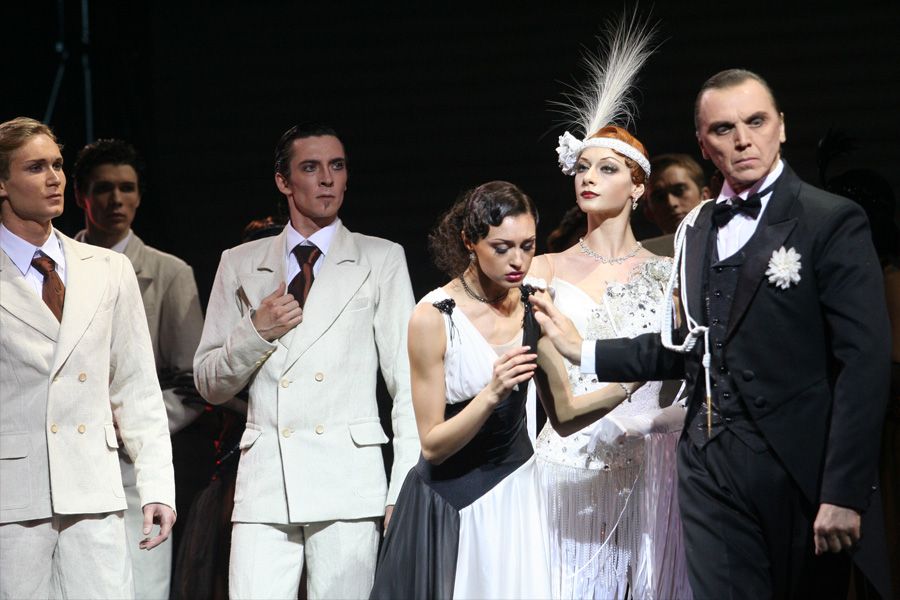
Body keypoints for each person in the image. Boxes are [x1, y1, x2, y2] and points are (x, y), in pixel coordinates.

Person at [532, 69, 892, 599]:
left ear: (781, 127)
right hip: (707, 473)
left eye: (756, 122)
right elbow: (682, 345)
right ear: (703, 142)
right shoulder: (697, 229)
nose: (742, 139)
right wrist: (581, 350)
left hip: (798, 473)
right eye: (723, 128)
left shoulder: (829, 220)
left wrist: (844, 490)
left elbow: (864, 362)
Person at [369, 181, 637, 600]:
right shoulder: (434, 316)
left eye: (527, 246)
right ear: (469, 242)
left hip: (516, 496)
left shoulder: (534, 303)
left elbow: (564, 415)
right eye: (502, 247)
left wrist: (631, 381)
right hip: (450, 501)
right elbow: (433, 445)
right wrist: (491, 393)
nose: (518, 260)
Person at [193, 122, 420, 600]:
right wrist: (257, 331)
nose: (327, 179)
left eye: (337, 166)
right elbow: (209, 383)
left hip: (348, 480)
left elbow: (408, 385)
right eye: (311, 167)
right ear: (284, 181)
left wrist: (404, 484)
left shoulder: (381, 259)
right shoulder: (240, 262)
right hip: (265, 483)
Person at [531, 18, 690, 599]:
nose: (589, 178)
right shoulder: (544, 268)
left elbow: (683, 369)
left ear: (638, 186)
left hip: (652, 465)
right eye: (582, 167)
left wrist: (661, 426)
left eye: (607, 168)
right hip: (569, 467)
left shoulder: (668, 271)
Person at [0, 117, 175, 599]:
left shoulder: (109, 269)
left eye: (57, 165)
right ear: (2, 183)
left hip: (95, 490)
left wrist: (158, 486)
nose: (53, 178)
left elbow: (137, 388)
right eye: (35, 167)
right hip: (13, 497)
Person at [72, 138, 205, 599]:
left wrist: (127, 423)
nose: (116, 199)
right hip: (68, 453)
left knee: (143, 585)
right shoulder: (55, 265)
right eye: (103, 188)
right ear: (80, 195)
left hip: (132, 460)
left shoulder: (169, 273)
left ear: (140, 196)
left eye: (126, 188)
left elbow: (192, 385)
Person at [640, 153, 710, 257]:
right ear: (648, 211)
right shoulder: (640, 259)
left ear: (705, 196)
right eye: (659, 197)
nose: (671, 203)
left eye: (679, 190)